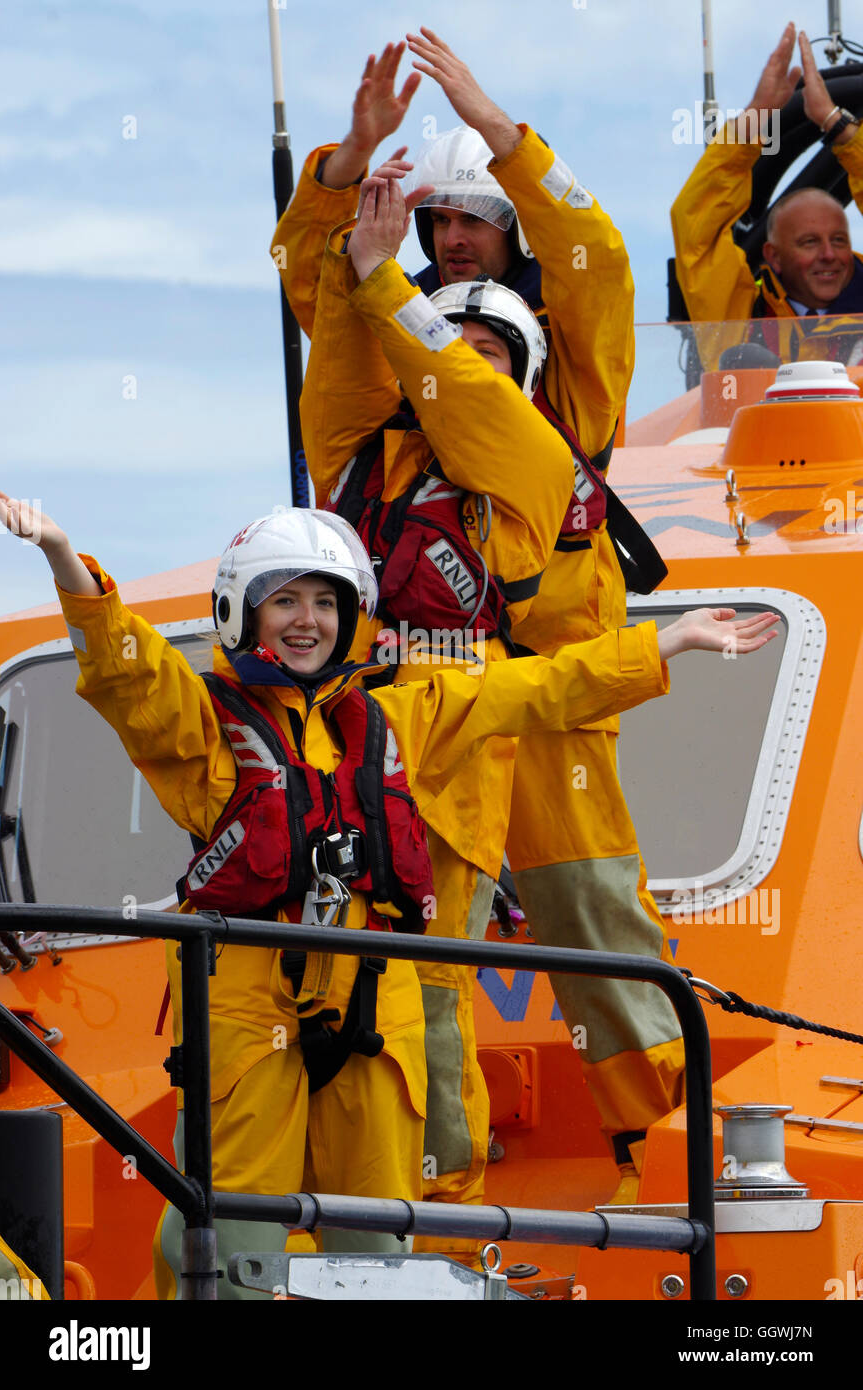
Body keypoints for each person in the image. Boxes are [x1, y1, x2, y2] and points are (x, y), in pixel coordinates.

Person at [0, 491, 777, 1299]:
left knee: (374, 1245)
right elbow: (128, 671)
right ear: (245, 612)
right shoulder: (200, 729)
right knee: (231, 1235)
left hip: (377, 1005)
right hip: (243, 1006)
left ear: (352, 616)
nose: (307, 621)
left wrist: (665, 644)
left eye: (325, 603)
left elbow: (530, 690)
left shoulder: (398, 719)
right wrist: (63, 554)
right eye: (286, 600)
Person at [273, 30, 685, 1204]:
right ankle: (435, 1183)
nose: (455, 236)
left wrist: (501, 133)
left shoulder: (566, 401)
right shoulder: (371, 432)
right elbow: (335, 300)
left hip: (558, 689)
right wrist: (349, 166)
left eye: (478, 219)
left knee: (597, 910)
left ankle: (658, 1130)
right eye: (437, 224)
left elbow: (595, 257)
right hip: (424, 713)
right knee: (424, 955)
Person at [298, 169, 575, 1242]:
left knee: (434, 986)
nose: (453, 364)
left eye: (485, 350)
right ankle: (322, 1197)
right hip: (331, 735)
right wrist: (349, 237)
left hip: (448, 745)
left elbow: (473, 406)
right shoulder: (358, 457)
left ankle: (442, 1211)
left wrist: (389, 290)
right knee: (315, 969)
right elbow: (341, 362)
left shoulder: (530, 471)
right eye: (440, 343)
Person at [672, 25, 863, 364]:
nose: (829, 255)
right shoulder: (741, 318)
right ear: (772, 256)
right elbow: (696, 225)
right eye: (809, 242)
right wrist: (757, 115)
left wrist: (837, 125)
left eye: (838, 240)